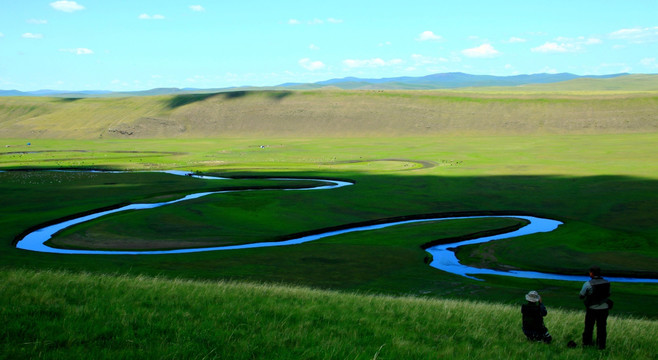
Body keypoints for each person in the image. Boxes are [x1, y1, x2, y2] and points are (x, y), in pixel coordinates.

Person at [579, 265, 611, 350]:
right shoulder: (607, 282)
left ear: (592, 273)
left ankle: (587, 344)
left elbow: (581, 295)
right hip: (604, 308)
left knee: (589, 327)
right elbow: (608, 294)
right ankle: (601, 345)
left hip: (592, 309)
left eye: (590, 272)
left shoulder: (588, 284)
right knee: (602, 327)